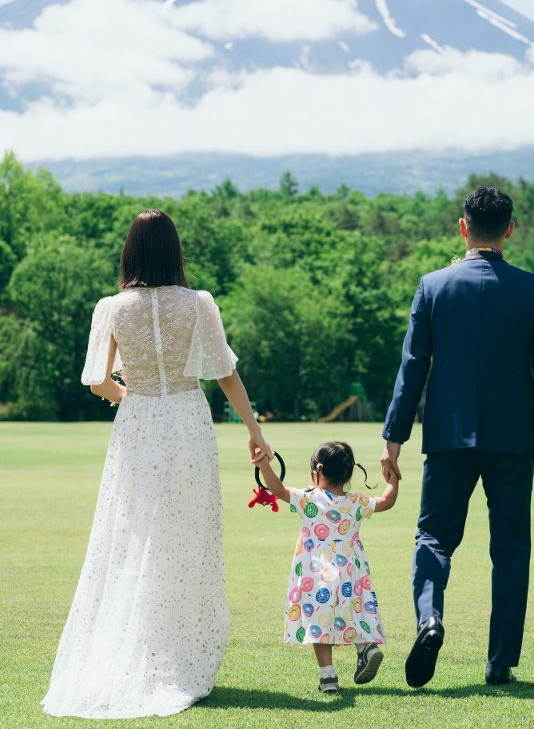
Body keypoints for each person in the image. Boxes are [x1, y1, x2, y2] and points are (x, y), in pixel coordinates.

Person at [42, 209, 273, 719]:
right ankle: (179, 655)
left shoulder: (112, 308)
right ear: (174, 252)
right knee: (185, 537)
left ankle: (142, 650)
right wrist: (255, 431)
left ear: (129, 251)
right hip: (188, 420)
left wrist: (130, 395)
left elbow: (98, 380)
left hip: (139, 422)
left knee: (132, 535)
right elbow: (226, 374)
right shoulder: (197, 304)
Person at [380, 186, 534, 689]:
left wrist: (394, 436)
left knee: (433, 537)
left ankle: (430, 619)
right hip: (513, 440)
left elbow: (412, 367)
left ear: (462, 227)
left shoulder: (433, 286)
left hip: (447, 436)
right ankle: (500, 661)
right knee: (510, 548)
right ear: (510, 229)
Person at [255, 440, 398, 695]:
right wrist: (392, 477)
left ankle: (328, 675)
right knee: (352, 609)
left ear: (316, 472)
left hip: (316, 574)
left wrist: (264, 463)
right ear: (348, 474)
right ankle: (365, 646)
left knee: (318, 621)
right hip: (351, 573)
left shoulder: (309, 498)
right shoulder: (355, 501)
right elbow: (387, 501)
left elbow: (276, 488)